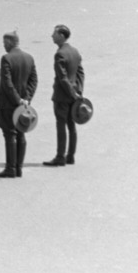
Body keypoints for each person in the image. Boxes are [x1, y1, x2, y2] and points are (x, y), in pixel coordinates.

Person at [0, 30, 38, 178]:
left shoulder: (6, 58)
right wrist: (26, 99)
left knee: (9, 134)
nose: (3, 46)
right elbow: (33, 81)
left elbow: (7, 82)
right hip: (23, 105)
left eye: (4, 43)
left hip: (8, 103)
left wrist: (17, 99)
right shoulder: (29, 58)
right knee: (21, 133)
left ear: (9, 43)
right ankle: (19, 168)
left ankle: (10, 168)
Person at [49, 24, 84, 167]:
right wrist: (78, 91)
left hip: (62, 96)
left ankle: (60, 156)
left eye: (54, 34)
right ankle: (70, 156)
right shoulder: (75, 51)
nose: (52, 36)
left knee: (61, 125)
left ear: (61, 36)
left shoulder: (60, 54)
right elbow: (80, 73)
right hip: (73, 95)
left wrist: (72, 92)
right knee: (72, 125)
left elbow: (62, 78)